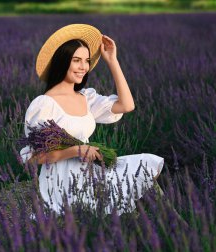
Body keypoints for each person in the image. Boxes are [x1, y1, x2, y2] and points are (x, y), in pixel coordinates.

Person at [19, 24, 164, 217]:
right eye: (76, 60)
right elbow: (34, 158)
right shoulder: (44, 104)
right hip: (62, 180)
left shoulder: (86, 98)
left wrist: (112, 61)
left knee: (147, 164)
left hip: (91, 170)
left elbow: (127, 105)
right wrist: (75, 150)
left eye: (86, 61)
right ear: (62, 62)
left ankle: (173, 225)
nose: (83, 67)